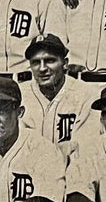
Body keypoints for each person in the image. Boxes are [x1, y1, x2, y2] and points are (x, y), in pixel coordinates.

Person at [19, 33, 98, 164]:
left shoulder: (86, 95)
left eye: (50, 60)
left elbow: (83, 151)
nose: (42, 68)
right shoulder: (21, 94)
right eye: (36, 62)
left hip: (73, 173)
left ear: (65, 63)